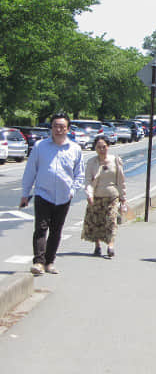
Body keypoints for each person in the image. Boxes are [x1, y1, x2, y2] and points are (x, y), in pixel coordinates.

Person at [20, 112, 85, 275]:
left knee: (56, 231)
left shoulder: (75, 149)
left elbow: (80, 174)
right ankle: (39, 262)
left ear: (68, 129)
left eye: (62, 126)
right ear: (51, 128)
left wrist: (72, 191)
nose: (58, 129)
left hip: (63, 196)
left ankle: (50, 262)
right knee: (41, 228)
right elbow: (30, 171)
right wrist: (25, 193)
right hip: (43, 193)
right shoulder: (40, 146)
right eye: (55, 126)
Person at [82, 135, 126, 258]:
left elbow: (121, 180)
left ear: (108, 146)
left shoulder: (115, 160)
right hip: (96, 196)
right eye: (99, 147)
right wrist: (89, 194)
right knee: (96, 222)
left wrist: (123, 196)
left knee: (111, 221)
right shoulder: (92, 162)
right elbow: (88, 180)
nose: (102, 149)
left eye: (104, 147)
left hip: (112, 196)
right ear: (95, 148)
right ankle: (97, 245)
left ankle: (110, 245)